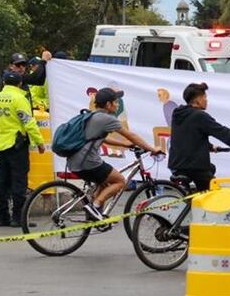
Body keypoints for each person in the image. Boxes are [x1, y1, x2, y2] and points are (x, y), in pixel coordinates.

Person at [65, 87, 163, 218]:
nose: (117, 105)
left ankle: (94, 216)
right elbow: (131, 135)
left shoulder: (91, 116)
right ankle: (95, 206)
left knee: (104, 184)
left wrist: (123, 144)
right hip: (88, 162)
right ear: (108, 104)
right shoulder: (106, 119)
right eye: (115, 102)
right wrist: (152, 149)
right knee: (120, 181)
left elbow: (102, 138)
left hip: (75, 161)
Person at [168, 82, 230, 192]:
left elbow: (188, 137)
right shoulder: (199, 116)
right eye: (204, 97)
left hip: (176, 164)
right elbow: (224, 133)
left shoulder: (178, 114)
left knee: (211, 169)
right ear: (198, 100)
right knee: (215, 194)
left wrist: (210, 147)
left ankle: (195, 201)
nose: (206, 100)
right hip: (192, 166)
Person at [0, 71, 46, 227]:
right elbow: (29, 122)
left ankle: (2, 216)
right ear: (19, 84)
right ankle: (18, 217)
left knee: (3, 181)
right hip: (17, 145)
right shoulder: (20, 98)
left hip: (1, 144)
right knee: (19, 181)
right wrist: (39, 142)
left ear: (4, 83)